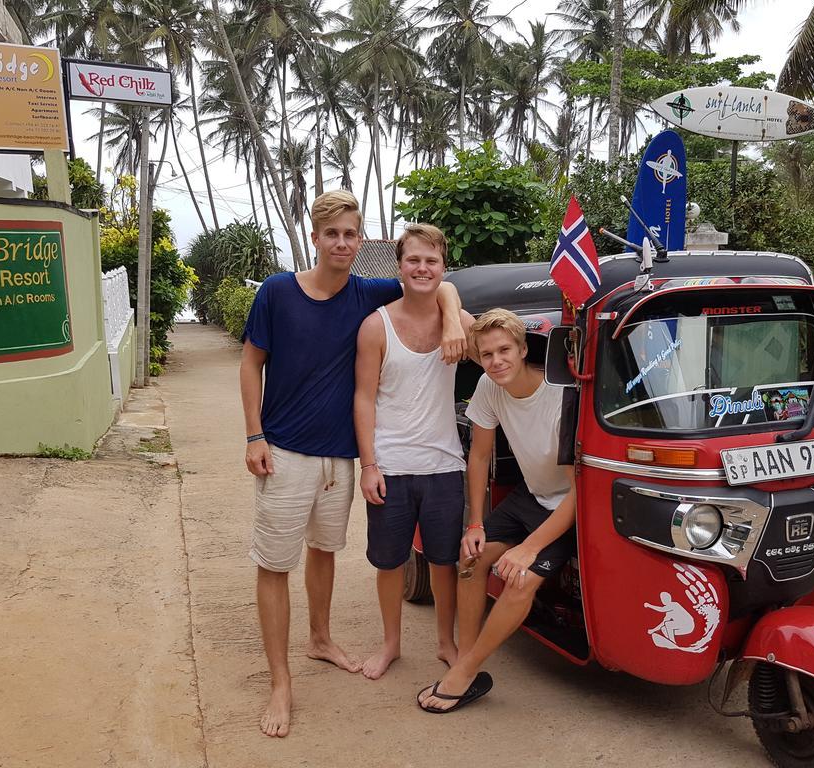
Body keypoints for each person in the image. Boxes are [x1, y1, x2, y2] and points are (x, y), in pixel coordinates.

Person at [240, 190, 465, 737]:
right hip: (286, 451)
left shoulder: (369, 292)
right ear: (315, 238)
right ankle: (280, 682)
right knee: (274, 564)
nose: (341, 243)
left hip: (341, 458)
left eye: (350, 233)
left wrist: (455, 319)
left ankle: (320, 638)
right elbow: (251, 363)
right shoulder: (277, 292)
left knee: (325, 553)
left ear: (361, 240)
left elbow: (440, 281)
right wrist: (254, 434)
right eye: (331, 234)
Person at [417, 308, 576, 713]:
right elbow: (479, 456)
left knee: (520, 577)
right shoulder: (489, 386)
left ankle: (465, 670)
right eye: (487, 354)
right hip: (530, 495)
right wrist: (474, 522)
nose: (496, 361)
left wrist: (528, 549)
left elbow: (580, 492)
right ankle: (467, 658)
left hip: (569, 505)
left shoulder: (562, 395)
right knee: (470, 556)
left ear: (523, 349)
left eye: (505, 350)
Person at [354, 224, 475, 680]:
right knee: (389, 563)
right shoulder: (375, 326)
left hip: (443, 464)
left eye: (432, 261)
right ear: (399, 266)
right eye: (414, 260)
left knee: (444, 561)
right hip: (390, 465)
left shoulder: (458, 323)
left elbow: (499, 354)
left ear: (443, 268)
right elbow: (363, 397)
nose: (422, 268)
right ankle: (391, 645)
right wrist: (368, 465)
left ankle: (446, 642)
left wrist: (451, 311)